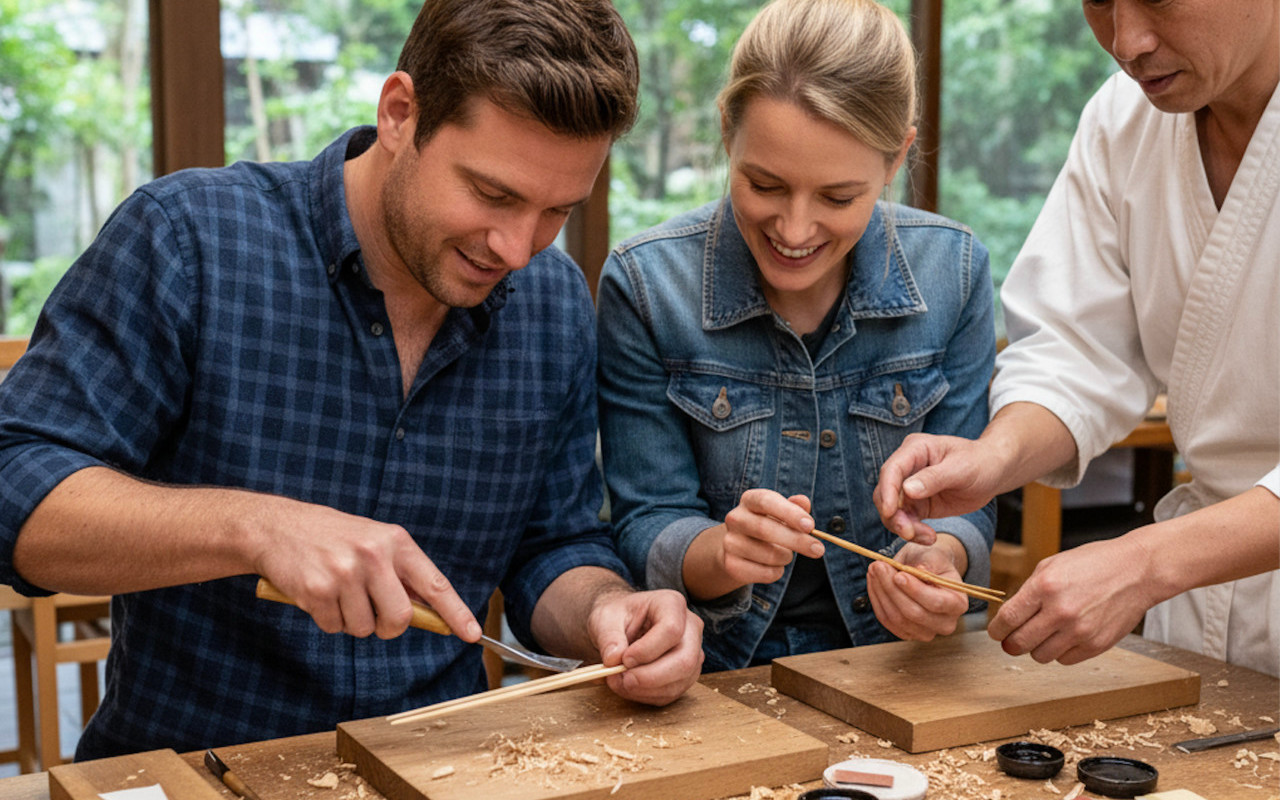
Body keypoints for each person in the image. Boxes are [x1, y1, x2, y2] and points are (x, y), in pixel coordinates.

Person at [0, 0, 704, 760]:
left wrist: (612, 608)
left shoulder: (553, 303)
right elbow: (16, 488)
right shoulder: (190, 240)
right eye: (493, 195)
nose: (518, 247)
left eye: (556, 210)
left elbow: (554, 542)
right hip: (195, 768)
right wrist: (257, 528)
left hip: (443, 771)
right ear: (401, 113)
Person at [875, 0, 1280, 677]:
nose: (1126, 41)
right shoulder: (1124, 120)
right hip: (1210, 630)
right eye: (1097, 2)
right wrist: (994, 458)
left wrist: (1149, 560)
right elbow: (1077, 350)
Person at [596, 0, 997, 672]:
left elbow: (970, 506)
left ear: (897, 155)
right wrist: (721, 554)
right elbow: (645, 522)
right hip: (715, 671)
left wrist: (942, 562)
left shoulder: (954, 271)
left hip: (901, 669)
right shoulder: (646, 285)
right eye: (765, 184)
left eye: (838, 197)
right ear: (727, 131)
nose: (795, 228)